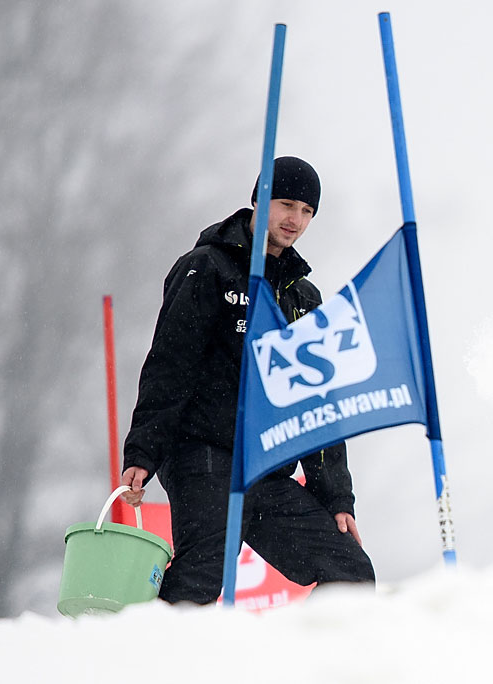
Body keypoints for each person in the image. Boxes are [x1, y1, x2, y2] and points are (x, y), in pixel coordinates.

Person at [120, 156, 375, 604]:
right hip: (203, 452)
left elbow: (318, 402)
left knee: (350, 570)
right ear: (259, 199)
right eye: (287, 204)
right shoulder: (206, 268)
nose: (295, 219)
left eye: (307, 211)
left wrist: (336, 496)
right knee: (204, 568)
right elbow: (169, 365)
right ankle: (152, 659)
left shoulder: (303, 297)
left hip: (267, 466)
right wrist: (144, 449)